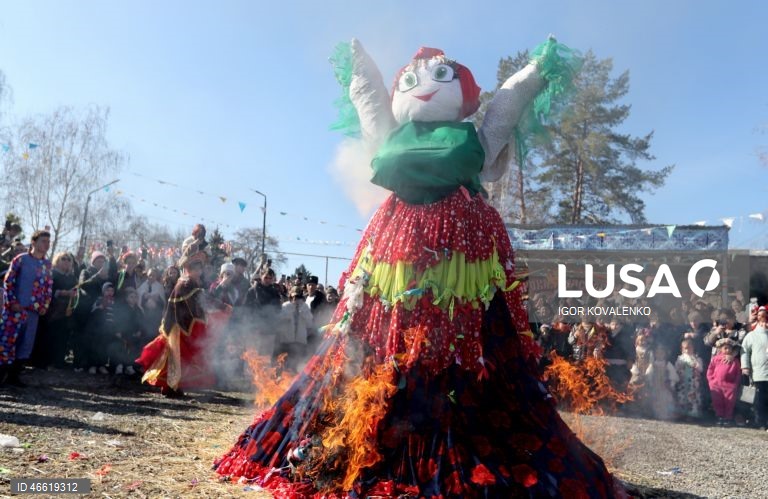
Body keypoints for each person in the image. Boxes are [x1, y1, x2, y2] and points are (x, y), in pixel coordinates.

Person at [216, 39, 620, 497]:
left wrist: (534, 73)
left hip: (457, 255)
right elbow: (372, 102)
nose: (425, 90)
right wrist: (359, 68)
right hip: (401, 252)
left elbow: (506, 104)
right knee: (386, 332)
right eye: (411, 83)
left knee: (462, 334)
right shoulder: (410, 137)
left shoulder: (470, 136)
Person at [136, 250, 215, 397]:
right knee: (175, 357)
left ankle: (172, 386)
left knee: (178, 358)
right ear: (188, 269)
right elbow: (193, 302)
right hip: (177, 326)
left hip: (182, 324)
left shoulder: (191, 283)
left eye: (199, 269)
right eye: (195, 269)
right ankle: (170, 387)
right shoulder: (185, 283)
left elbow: (199, 301)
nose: (198, 272)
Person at [0, 230, 53, 386]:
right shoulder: (20, 260)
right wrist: (12, 302)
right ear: (34, 242)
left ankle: (14, 376)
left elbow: (49, 287)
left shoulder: (47, 265)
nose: (47, 245)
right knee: (7, 341)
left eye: (48, 242)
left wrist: (45, 305)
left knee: (25, 343)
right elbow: (8, 282)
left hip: (33, 312)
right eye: (44, 241)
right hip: (15, 310)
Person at [31, 252, 78, 369]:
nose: (66, 261)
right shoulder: (51, 274)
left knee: (61, 337)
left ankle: (57, 362)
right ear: (57, 260)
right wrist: (64, 293)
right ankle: (41, 362)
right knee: (47, 336)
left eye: (69, 259)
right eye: (64, 259)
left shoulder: (72, 278)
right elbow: (46, 290)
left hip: (65, 312)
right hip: (50, 311)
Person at [740, 307, 768, 431]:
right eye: (761, 318)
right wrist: (745, 366)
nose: (764, 322)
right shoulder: (751, 335)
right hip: (759, 374)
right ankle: (761, 421)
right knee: (760, 399)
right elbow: (744, 351)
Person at [275, 285, 314, 371]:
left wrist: (303, 313)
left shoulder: (305, 307)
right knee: (285, 365)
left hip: (300, 342)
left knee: (297, 365)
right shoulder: (285, 306)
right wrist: (289, 314)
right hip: (287, 341)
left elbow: (309, 324)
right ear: (290, 296)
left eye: (298, 296)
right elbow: (280, 320)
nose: (295, 299)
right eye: (294, 296)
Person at [707, 338, 741, 426]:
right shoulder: (715, 359)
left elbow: (738, 373)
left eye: (729, 348)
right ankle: (720, 417)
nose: (727, 350)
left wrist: (735, 385)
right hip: (716, 385)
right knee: (717, 401)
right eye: (725, 348)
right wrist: (711, 381)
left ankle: (727, 418)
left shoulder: (735, 361)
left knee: (729, 402)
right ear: (720, 349)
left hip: (729, 386)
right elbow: (710, 370)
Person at [675, 338, 704, 420]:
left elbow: (701, 369)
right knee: (682, 397)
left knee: (692, 398)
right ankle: (682, 413)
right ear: (682, 349)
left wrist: (696, 365)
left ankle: (692, 414)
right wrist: (680, 367)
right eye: (685, 348)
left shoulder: (696, 358)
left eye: (689, 348)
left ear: (693, 348)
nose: (687, 350)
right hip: (683, 382)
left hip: (693, 383)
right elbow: (676, 368)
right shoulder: (680, 358)